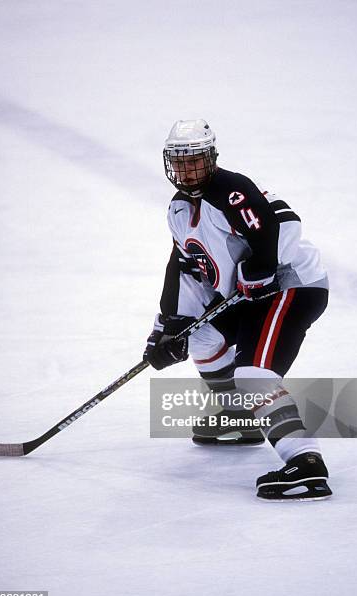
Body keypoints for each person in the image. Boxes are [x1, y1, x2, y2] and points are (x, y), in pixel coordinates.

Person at [143, 119, 332, 502]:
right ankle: (241, 417)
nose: (188, 169)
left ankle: (306, 464)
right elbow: (185, 268)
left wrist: (261, 266)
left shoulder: (231, 190)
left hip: (291, 286)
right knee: (202, 336)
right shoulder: (179, 210)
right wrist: (167, 327)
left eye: (195, 160)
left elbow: (282, 221)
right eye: (180, 162)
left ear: (210, 158)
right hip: (250, 297)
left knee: (254, 375)